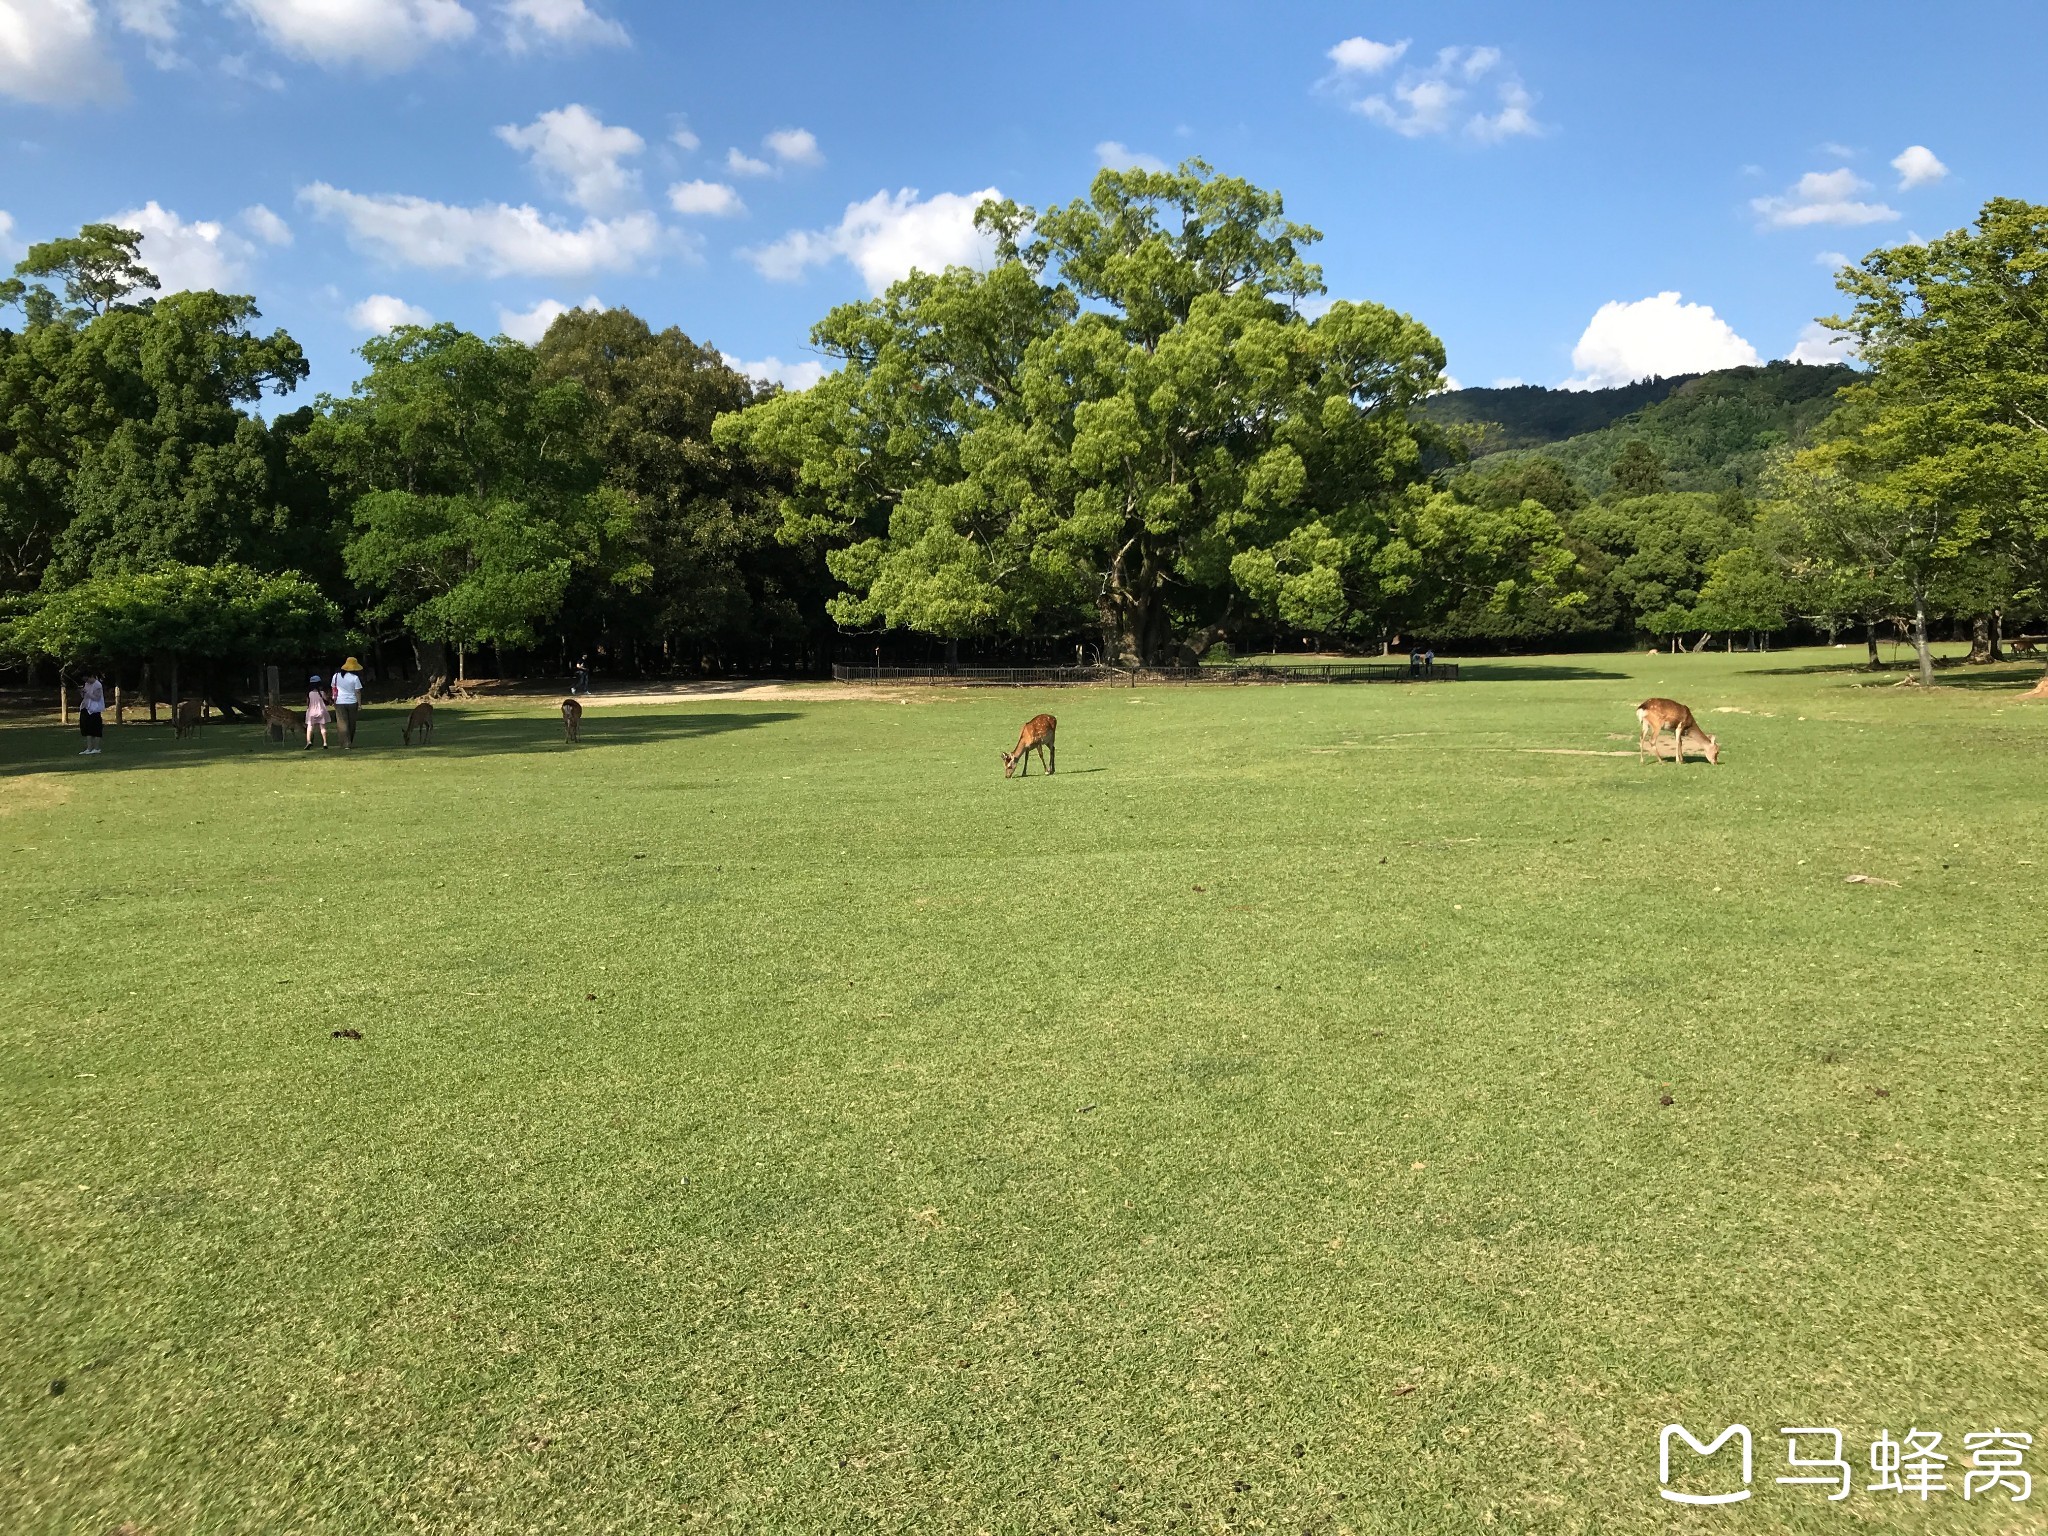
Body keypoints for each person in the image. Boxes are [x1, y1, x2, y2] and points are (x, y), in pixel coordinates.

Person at [333, 657, 365, 748]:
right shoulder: (355, 678)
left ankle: (344, 742)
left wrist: (334, 700)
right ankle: (349, 741)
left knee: (342, 723)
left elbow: (333, 688)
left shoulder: (336, 676)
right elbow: (357, 691)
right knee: (351, 723)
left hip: (339, 702)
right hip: (352, 702)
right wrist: (359, 704)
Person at [78, 673, 106, 756]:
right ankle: (89, 748)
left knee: (96, 729)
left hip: (94, 710)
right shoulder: (87, 684)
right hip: (86, 708)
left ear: (91, 676)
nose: (86, 681)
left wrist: (87, 693)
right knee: (87, 729)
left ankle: (96, 748)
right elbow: (84, 696)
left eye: (87, 679)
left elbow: (97, 698)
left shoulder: (97, 685)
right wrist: (82, 692)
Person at [305, 673, 332, 749]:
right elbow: (326, 699)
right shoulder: (322, 693)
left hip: (311, 712)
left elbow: (307, 703)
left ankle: (308, 741)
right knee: (322, 727)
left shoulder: (309, 693)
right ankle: (325, 742)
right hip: (321, 711)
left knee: (310, 727)